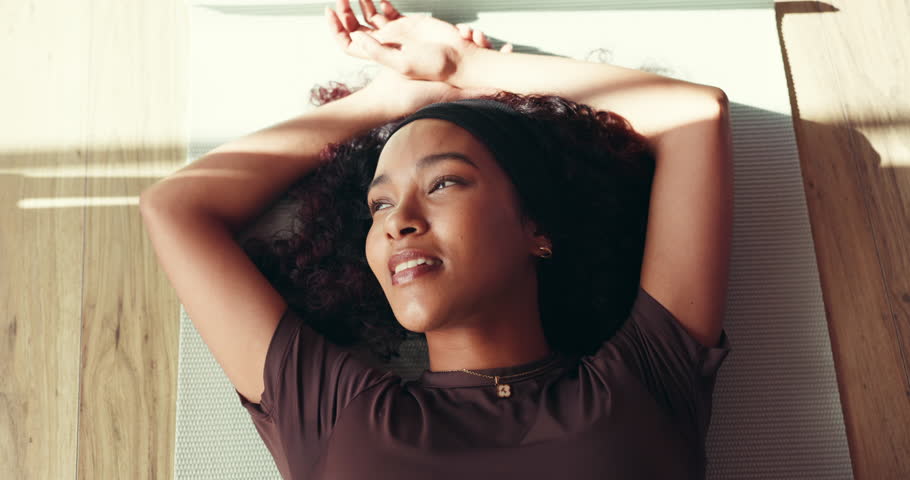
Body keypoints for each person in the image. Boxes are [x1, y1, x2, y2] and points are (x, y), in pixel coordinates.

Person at [140, 1, 734, 478]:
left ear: (537, 228)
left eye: (445, 182)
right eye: (380, 203)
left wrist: (458, 69)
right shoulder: (331, 409)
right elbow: (174, 208)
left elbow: (693, 115)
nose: (399, 221)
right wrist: (390, 99)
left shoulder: (647, 376)